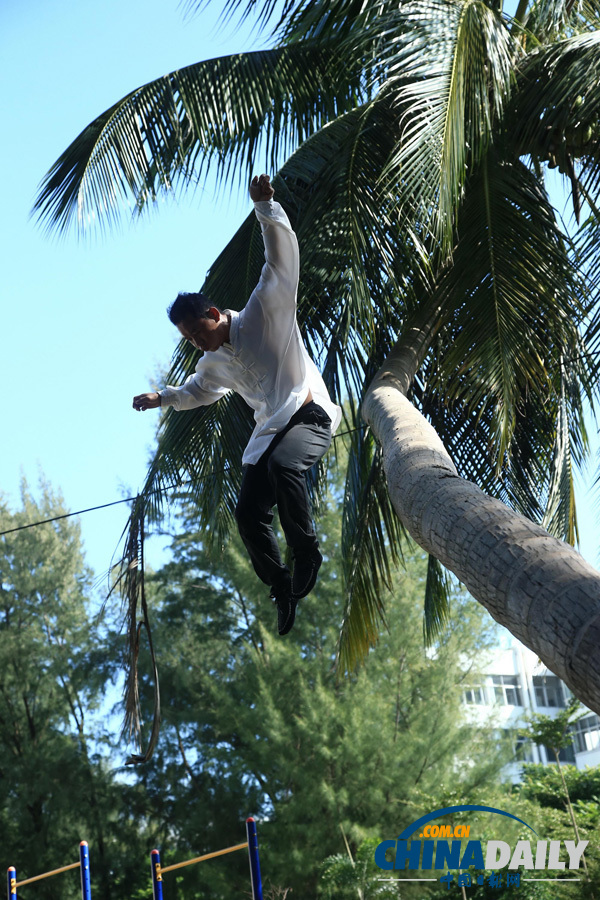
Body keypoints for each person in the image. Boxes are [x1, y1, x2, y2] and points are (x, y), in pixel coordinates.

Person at [133, 174, 341, 635]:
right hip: (268, 430)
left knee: (286, 468)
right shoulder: (211, 365)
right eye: (188, 340)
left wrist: (266, 208)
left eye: (197, 333)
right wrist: (162, 397)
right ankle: (281, 586)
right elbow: (196, 393)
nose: (196, 344)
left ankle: (307, 551)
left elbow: (281, 260)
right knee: (247, 514)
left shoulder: (263, 310)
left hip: (309, 413)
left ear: (212, 314)